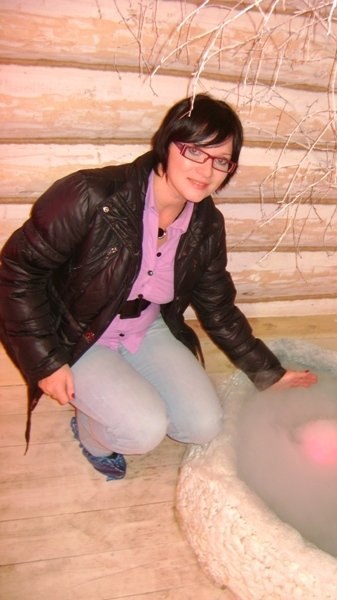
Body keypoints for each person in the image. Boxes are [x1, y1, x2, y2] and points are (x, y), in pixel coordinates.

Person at [0, 94, 317, 480]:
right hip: (78, 333)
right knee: (142, 430)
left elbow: (217, 307)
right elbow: (17, 272)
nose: (207, 170)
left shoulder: (206, 225)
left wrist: (268, 372)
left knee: (204, 425)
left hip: (146, 328)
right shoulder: (91, 195)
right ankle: (90, 434)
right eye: (194, 151)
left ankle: (116, 399)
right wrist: (46, 362)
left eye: (221, 160)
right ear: (166, 143)